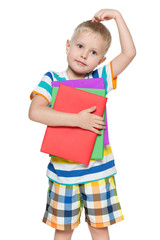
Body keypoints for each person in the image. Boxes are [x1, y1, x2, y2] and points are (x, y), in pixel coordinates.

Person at [29, 9, 136, 240]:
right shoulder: (52, 79)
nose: (84, 55)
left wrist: (117, 16)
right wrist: (78, 120)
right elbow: (35, 111)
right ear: (68, 45)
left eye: (93, 52)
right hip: (63, 175)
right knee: (63, 230)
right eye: (79, 46)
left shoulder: (100, 79)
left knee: (99, 229)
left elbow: (129, 53)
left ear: (101, 60)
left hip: (98, 171)